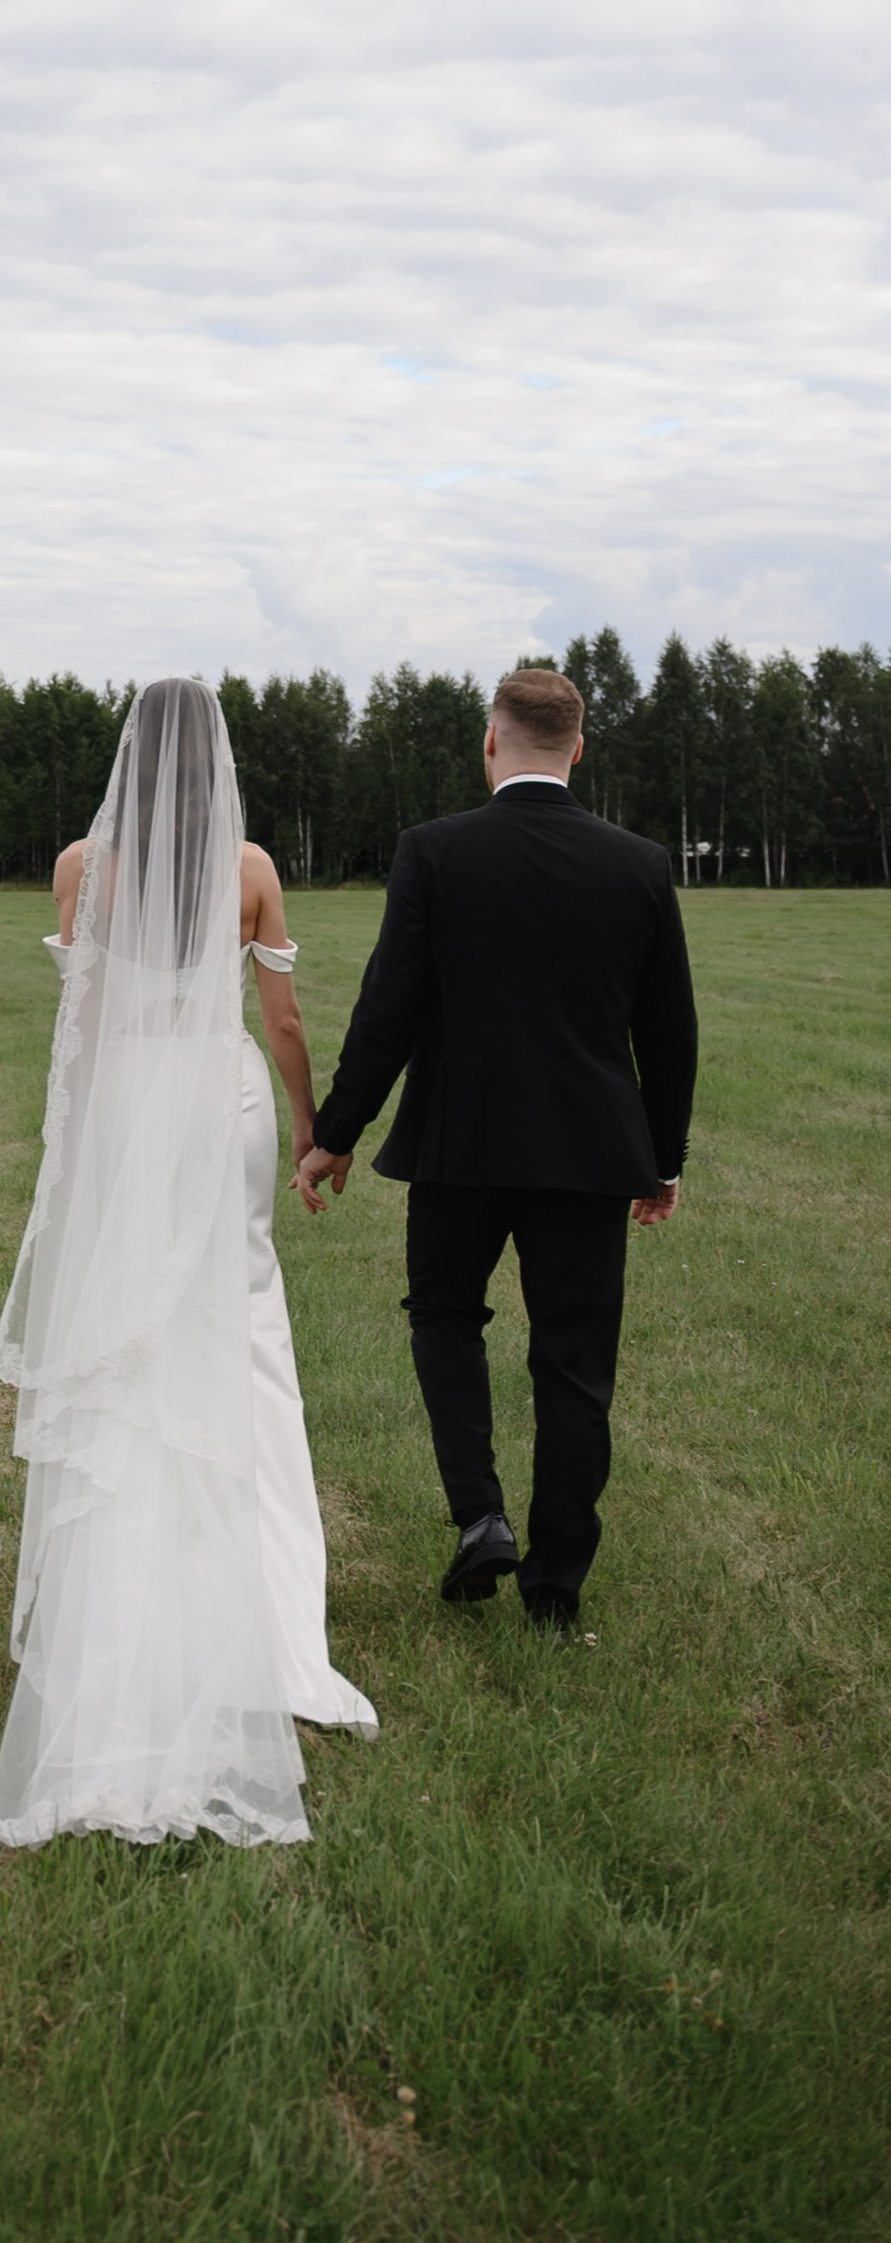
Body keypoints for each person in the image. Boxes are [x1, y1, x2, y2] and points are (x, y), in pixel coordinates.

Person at [0, 676, 376, 1851]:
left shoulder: (80, 868)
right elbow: (283, 1021)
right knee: (241, 1326)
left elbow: (83, 1021)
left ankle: (119, 1612)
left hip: (130, 1102)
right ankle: (268, 1626)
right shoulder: (249, 869)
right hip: (219, 1099)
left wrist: (88, 1144)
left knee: (129, 1330)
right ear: (214, 766)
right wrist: (308, 1129)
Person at [296, 666, 697, 1632]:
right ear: (578, 748)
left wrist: (335, 1135)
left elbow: (387, 1009)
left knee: (444, 1318)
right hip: (591, 1155)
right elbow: (670, 1030)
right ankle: (555, 1591)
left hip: (459, 1145)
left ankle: (481, 1517)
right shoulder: (639, 863)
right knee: (574, 1364)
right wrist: (663, 1160)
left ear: (490, 742)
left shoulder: (434, 851)